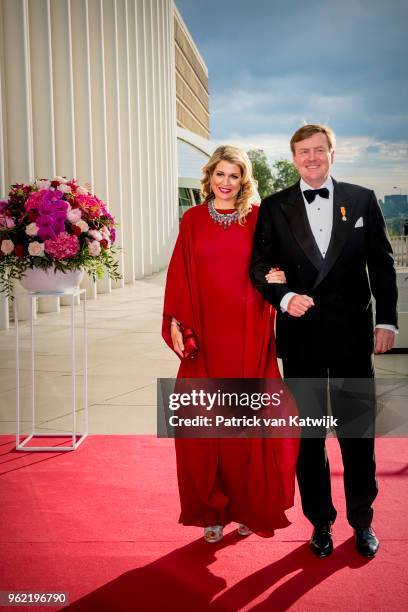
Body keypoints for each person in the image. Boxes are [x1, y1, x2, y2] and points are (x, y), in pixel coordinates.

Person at [250, 124, 398, 558]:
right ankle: (321, 523)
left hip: (353, 336)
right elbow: (259, 266)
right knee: (309, 439)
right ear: (293, 157)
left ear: (333, 153)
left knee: (357, 434)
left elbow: (383, 266)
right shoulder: (275, 206)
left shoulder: (362, 198)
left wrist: (387, 321)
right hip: (302, 339)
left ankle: (362, 521)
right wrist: (285, 296)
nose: (311, 157)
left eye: (319, 150)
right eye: (303, 151)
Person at [162, 145, 299, 543]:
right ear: (210, 177)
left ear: (244, 181)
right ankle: (211, 512)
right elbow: (180, 274)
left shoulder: (259, 219)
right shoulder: (191, 220)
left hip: (248, 330)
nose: (226, 183)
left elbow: (278, 263)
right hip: (205, 333)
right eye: (220, 174)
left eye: (234, 176)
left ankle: (249, 506)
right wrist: (176, 323)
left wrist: (279, 279)